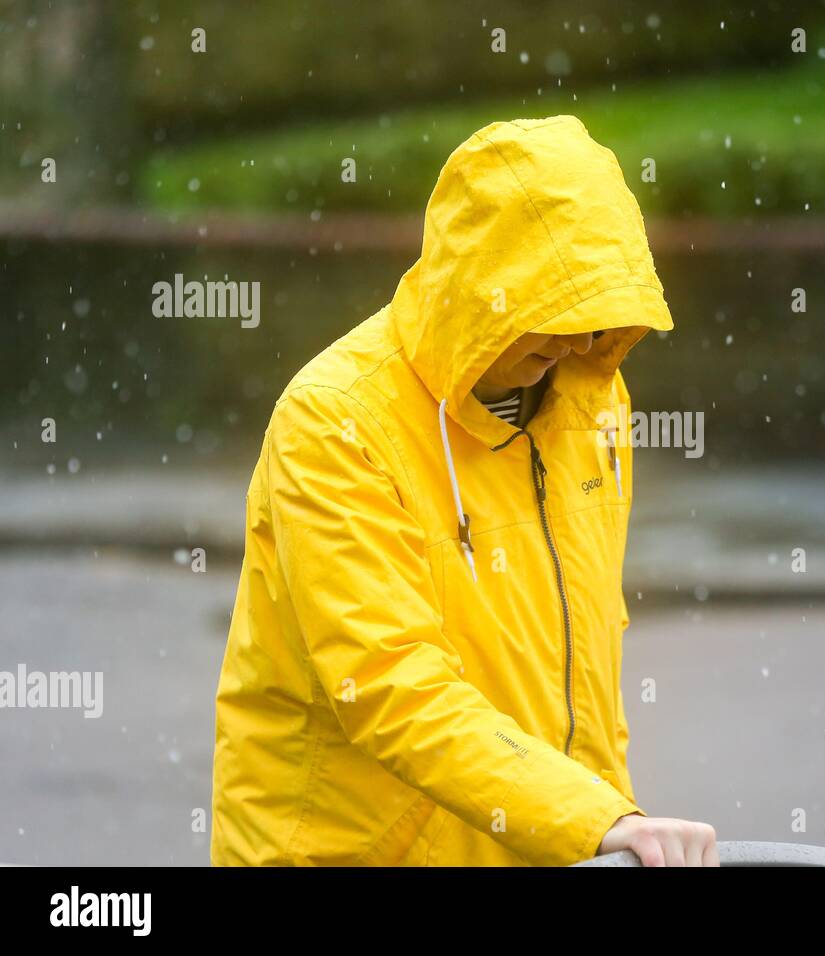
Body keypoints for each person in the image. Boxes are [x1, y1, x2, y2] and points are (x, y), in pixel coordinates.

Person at [210, 115, 718, 867]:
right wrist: (588, 819)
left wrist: (606, 826)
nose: (578, 343)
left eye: (594, 312)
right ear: (481, 287)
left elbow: (586, 670)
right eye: (557, 310)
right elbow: (391, 682)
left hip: (540, 844)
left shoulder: (592, 402)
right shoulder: (334, 422)